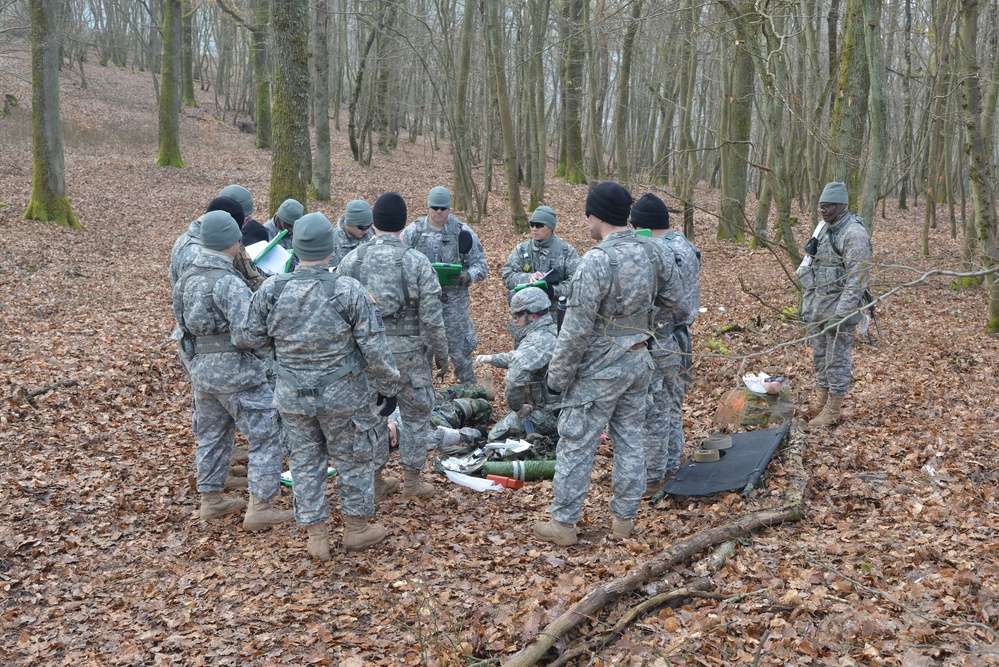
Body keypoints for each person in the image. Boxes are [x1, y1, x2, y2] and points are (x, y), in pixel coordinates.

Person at [243, 212, 400, 560]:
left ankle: (317, 537)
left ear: (295, 249)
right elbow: (374, 346)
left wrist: (283, 355)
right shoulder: (348, 289)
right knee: (354, 459)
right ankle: (357, 529)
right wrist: (389, 386)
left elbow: (249, 336)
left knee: (304, 462)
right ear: (331, 249)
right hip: (344, 396)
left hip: (291, 395)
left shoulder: (271, 289)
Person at [534, 182, 682, 546]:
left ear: (595, 215)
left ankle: (564, 524)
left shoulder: (596, 261)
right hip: (637, 360)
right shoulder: (654, 252)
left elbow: (575, 329)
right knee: (630, 439)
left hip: (598, 369)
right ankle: (623, 522)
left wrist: (557, 377)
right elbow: (676, 299)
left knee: (576, 442)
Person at [171, 210, 294, 531]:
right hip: (238, 374)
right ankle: (260, 506)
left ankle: (210, 500)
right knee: (267, 435)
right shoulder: (229, 282)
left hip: (202, 373)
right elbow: (247, 334)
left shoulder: (186, 278)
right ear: (234, 243)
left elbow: (181, 327)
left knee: (211, 434)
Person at [337, 192, 450, 500]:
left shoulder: (351, 261)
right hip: (411, 357)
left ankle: (375, 481)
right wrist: (442, 356)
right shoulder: (416, 262)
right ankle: (412, 483)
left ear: (373, 222)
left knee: (371, 419)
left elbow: (338, 314)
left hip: (368, 356)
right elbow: (432, 318)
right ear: (403, 223)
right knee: (415, 418)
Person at [629, 193, 701, 496]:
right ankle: (672, 464)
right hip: (680, 337)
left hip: (661, 339)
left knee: (655, 410)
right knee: (672, 404)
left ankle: (654, 476)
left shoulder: (659, 251)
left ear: (642, 227)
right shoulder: (684, 245)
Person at [799, 182, 872, 427]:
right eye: (821, 206)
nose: (824, 210)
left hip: (839, 314)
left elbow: (857, 279)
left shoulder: (854, 234)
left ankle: (833, 409)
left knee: (836, 360)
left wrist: (840, 316)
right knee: (819, 357)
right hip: (818, 308)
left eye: (829, 206)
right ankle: (821, 399)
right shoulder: (823, 229)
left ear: (842, 205)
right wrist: (808, 308)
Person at [402, 186, 488, 385]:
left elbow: (481, 265)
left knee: (461, 352)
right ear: (428, 207)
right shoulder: (413, 232)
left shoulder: (462, 233)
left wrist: (468, 276)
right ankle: (422, 400)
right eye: (434, 207)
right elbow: (399, 264)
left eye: (443, 208)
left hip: (454, 305)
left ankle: (472, 395)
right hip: (422, 304)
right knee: (420, 354)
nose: (438, 212)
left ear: (449, 209)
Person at [475, 287, 559, 442]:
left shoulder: (538, 340)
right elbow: (521, 357)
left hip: (548, 414)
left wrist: (517, 407)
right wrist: (493, 358)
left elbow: (514, 379)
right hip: (559, 409)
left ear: (533, 316)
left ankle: (550, 439)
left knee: (495, 438)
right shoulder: (550, 331)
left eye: (517, 315)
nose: (514, 320)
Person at [501, 206, 580, 309]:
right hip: (526, 315)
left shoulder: (567, 252)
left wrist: (553, 290)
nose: (534, 229)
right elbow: (507, 276)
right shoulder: (522, 250)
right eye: (532, 225)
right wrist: (528, 278)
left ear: (550, 227)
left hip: (555, 317)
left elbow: (577, 284)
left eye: (539, 225)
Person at [330, 200, 375, 267]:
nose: (366, 231)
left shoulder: (374, 234)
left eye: (369, 226)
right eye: (362, 228)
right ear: (350, 223)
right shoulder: (332, 241)